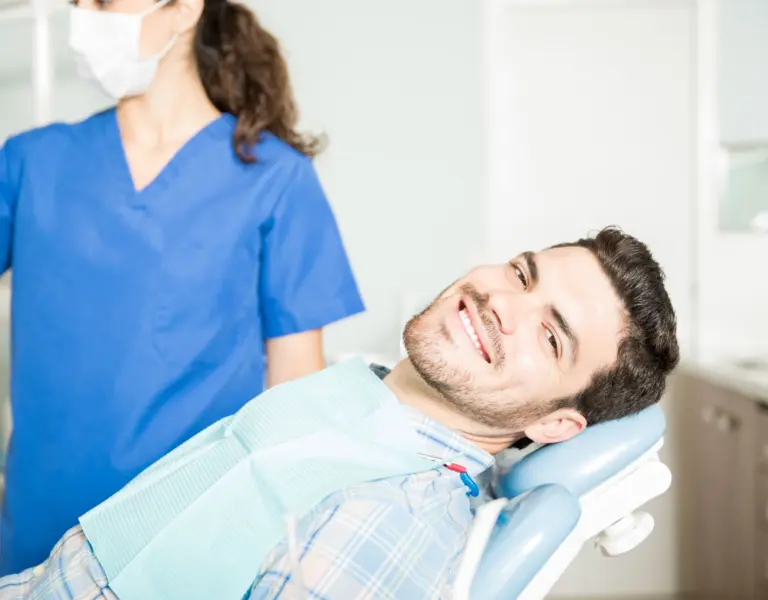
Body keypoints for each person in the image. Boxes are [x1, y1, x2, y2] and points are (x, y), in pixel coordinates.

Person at [0, 226, 680, 600]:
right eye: (522, 273)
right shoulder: (368, 383)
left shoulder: (397, 512)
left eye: (550, 335)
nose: (505, 302)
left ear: (556, 426)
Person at [0, 0, 365, 575]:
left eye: (100, 2)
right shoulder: (31, 161)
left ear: (183, 9)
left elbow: (294, 398)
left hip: (188, 540)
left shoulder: (275, 178)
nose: (84, 17)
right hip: (34, 538)